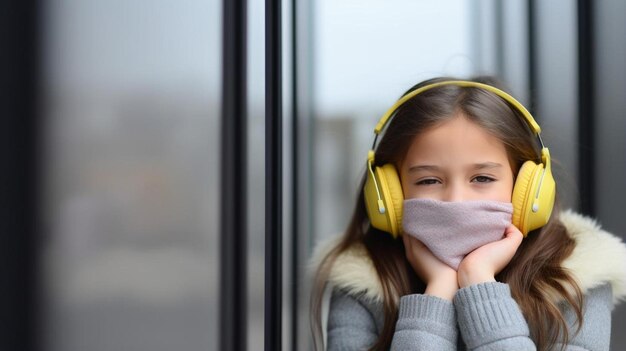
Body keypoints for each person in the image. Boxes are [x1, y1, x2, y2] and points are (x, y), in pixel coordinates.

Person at [310, 77, 626, 351]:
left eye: (482, 178)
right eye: (428, 180)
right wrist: (438, 293)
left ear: (527, 190)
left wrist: (479, 283)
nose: (456, 201)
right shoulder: (363, 283)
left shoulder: (574, 280)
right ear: (389, 195)